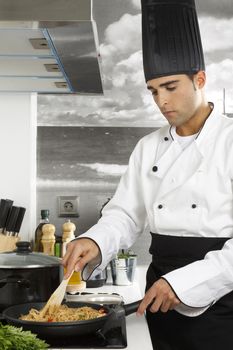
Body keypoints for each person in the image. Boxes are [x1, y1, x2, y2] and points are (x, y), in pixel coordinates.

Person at [63, 1, 233, 349]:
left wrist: (185, 283)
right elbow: (125, 214)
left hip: (221, 293)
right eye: (154, 91)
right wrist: (94, 242)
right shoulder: (147, 147)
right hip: (160, 289)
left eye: (171, 87)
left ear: (200, 79)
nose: (162, 101)